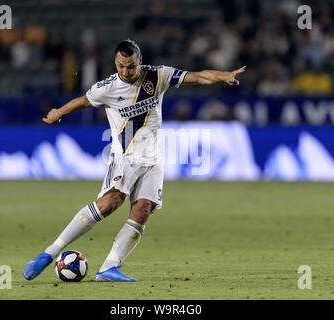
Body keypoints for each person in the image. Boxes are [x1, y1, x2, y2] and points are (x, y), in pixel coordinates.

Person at [23, 39, 246, 282]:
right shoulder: (107, 87)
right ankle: (48, 254)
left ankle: (109, 267)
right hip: (125, 157)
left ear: (139, 61)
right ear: (115, 63)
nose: (125, 71)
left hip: (153, 159)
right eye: (120, 66)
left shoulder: (158, 76)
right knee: (109, 203)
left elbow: (198, 76)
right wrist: (58, 113)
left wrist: (223, 75)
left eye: (130, 66)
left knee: (143, 209)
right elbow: (83, 101)